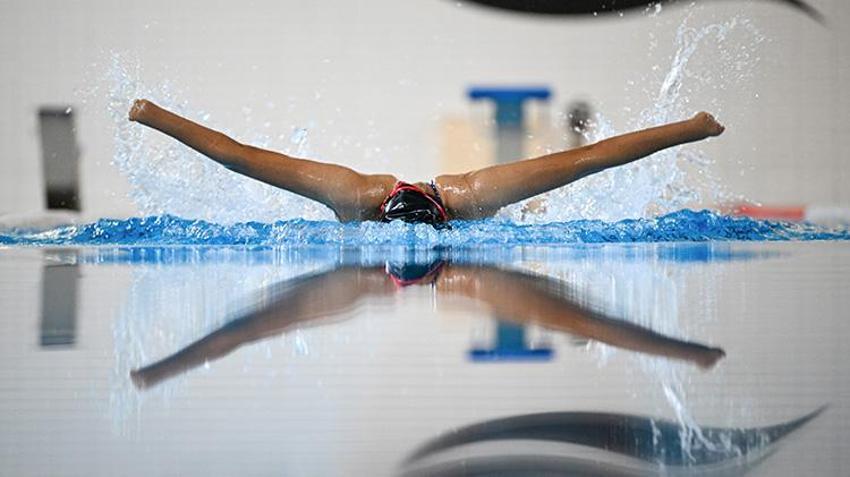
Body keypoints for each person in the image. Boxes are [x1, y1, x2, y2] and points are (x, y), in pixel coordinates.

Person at [129, 99, 724, 227]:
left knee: (568, 177)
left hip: (454, 193)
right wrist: (151, 115)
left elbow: (591, 157)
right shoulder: (354, 194)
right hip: (451, 199)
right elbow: (238, 159)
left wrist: (689, 129)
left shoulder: (465, 195)